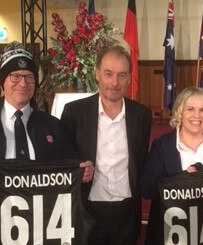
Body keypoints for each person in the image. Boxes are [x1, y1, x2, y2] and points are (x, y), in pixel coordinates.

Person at [0, 41, 94, 245]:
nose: (23, 83)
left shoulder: (53, 126)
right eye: (15, 76)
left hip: (42, 232)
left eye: (29, 77)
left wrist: (83, 175)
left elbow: (71, 172)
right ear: (3, 81)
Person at [60, 45, 152, 245]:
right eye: (108, 74)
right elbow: (62, 161)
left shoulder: (141, 115)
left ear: (129, 78)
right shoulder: (74, 113)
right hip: (87, 209)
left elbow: (141, 159)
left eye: (121, 75)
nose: (114, 82)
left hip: (127, 212)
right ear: (97, 74)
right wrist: (77, 171)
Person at [140, 86, 203, 245]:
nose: (197, 116)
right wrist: (180, 180)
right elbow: (147, 189)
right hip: (171, 236)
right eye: (190, 109)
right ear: (180, 112)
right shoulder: (163, 146)